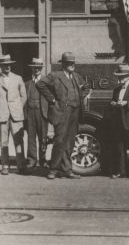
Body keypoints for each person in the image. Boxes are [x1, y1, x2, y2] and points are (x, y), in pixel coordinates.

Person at [37, 52, 90, 180]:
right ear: (64, 64)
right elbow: (40, 84)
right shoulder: (55, 75)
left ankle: (67, 169)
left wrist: (80, 96)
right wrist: (52, 99)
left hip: (75, 112)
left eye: (73, 63)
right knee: (60, 140)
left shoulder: (77, 77)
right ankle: (53, 169)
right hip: (62, 112)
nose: (72, 65)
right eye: (69, 63)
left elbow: (86, 87)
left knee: (70, 141)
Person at [0, 54, 27, 175]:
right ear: (0, 66)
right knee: (3, 142)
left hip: (16, 116)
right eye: (5, 65)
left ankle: (21, 165)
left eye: (9, 65)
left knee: (19, 141)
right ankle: (5, 166)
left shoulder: (18, 78)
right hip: (2, 116)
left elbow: (23, 96)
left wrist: (17, 107)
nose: (7, 67)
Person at [24, 58, 49, 170]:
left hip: (42, 113)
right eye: (35, 67)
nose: (37, 69)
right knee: (31, 138)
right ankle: (31, 160)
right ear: (32, 69)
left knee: (43, 138)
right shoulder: (27, 83)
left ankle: (43, 160)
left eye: (39, 67)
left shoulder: (47, 82)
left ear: (41, 69)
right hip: (30, 113)